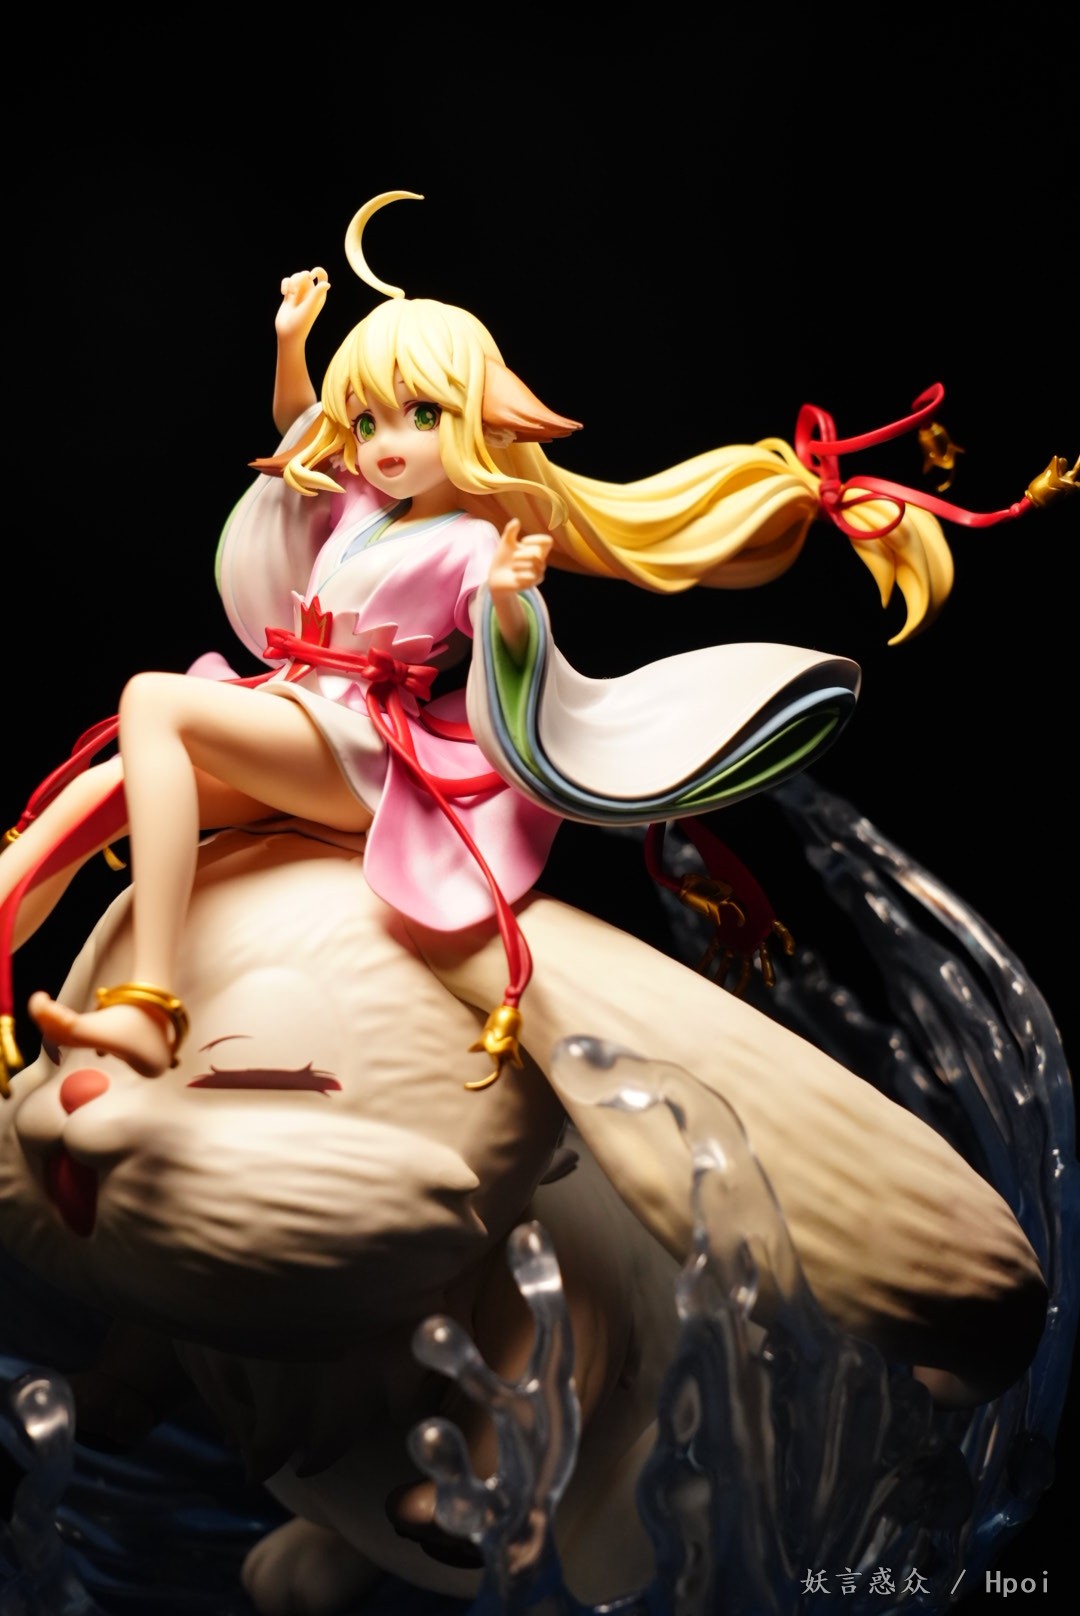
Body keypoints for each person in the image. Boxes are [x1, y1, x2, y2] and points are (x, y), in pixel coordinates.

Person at [0, 191, 1073, 1093]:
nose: (385, 443)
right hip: (291, 714)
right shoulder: (358, 507)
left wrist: (511, 600)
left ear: (473, 415)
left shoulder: (473, 541)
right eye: (369, 422)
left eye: (418, 415)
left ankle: (148, 1004)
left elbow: (510, 653)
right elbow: (301, 431)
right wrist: (292, 343)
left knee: (153, 701)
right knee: (97, 796)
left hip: (360, 754)